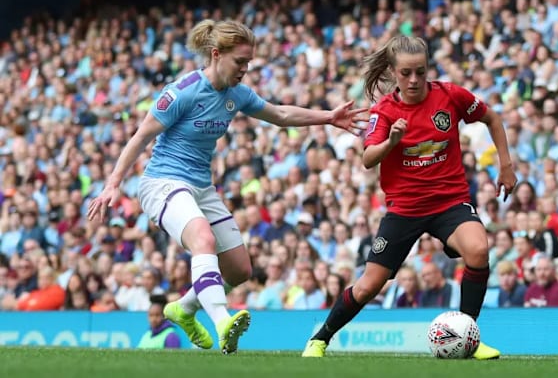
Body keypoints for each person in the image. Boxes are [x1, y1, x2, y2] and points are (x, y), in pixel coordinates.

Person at [87, 19, 367, 354]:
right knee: (203, 239)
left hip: (201, 187)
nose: (245, 69)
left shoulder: (238, 94)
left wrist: (329, 117)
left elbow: (279, 114)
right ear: (216, 55)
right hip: (162, 182)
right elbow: (140, 137)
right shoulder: (183, 91)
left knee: (239, 269)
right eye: (240, 61)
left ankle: (184, 308)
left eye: (249, 62)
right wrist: (112, 184)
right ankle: (222, 321)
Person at [301, 35, 517, 360]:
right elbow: (368, 158)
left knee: (478, 250)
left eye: (420, 71)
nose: (414, 79)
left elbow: (492, 119)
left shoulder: (451, 96)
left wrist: (506, 165)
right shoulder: (385, 111)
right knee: (368, 285)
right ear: (393, 71)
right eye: (406, 73)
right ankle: (320, 339)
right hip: (405, 209)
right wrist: (391, 141)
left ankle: (468, 338)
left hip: (449, 202)